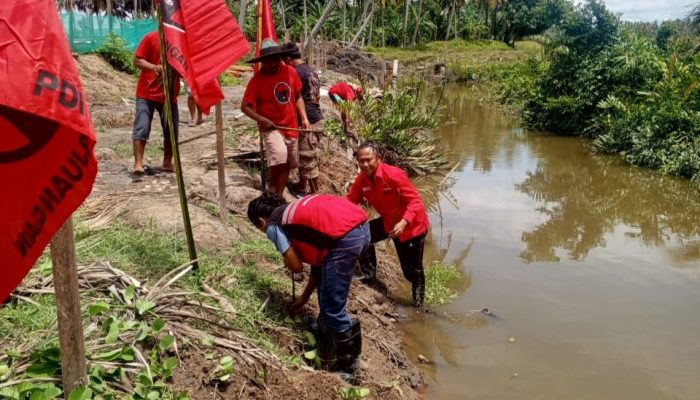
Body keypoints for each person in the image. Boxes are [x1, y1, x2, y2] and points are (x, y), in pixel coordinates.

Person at [247, 192, 370, 379]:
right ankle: (326, 331)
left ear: (261, 222)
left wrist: (285, 254)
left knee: (332, 307)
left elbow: (296, 268)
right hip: (362, 228)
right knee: (326, 284)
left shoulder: (273, 225)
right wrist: (304, 298)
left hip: (345, 239)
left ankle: (349, 367)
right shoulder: (295, 214)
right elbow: (317, 266)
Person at [347, 141, 430, 307]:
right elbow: (350, 201)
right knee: (364, 235)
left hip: (412, 227)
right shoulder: (363, 179)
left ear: (379, 158)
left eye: (368, 160)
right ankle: (369, 274)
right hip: (389, 223)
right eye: (361, 161)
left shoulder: (394, 175)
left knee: (411, 271)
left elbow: (415, 201)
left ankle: (418, 306)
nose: (365, 164)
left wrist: (404, 222)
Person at [241, 39, 311, 194]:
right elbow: (244, 106)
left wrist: (304, 118)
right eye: (268, 61)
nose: (272, 64)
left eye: (275, 60)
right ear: (263, 62)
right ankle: (272, 189)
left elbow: (298, 96)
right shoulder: (257, 81)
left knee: (288, 162)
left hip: (290, 125)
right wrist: (261, 119)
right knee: (279, 155)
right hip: (272, 127)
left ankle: (278, 194)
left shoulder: (290, 72)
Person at [131, 31, 180, 175]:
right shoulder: (151, 38)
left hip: (169, 96)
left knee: (171, 131)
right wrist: (154, 67)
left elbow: (187, 68)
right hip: (146, 94)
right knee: (142, 127)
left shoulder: (181, 41)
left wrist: (177, 71)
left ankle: (167, 162)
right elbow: (137, 60)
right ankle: (138, 163)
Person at [282, 43, 324, 195]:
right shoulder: (309, 70)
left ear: (288, 59)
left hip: (310, 121)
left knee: (308, 160)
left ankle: (315, 194)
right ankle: (301, 187)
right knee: (306, 157)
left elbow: (294, 97)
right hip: (315, 118)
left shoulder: (296, 73)